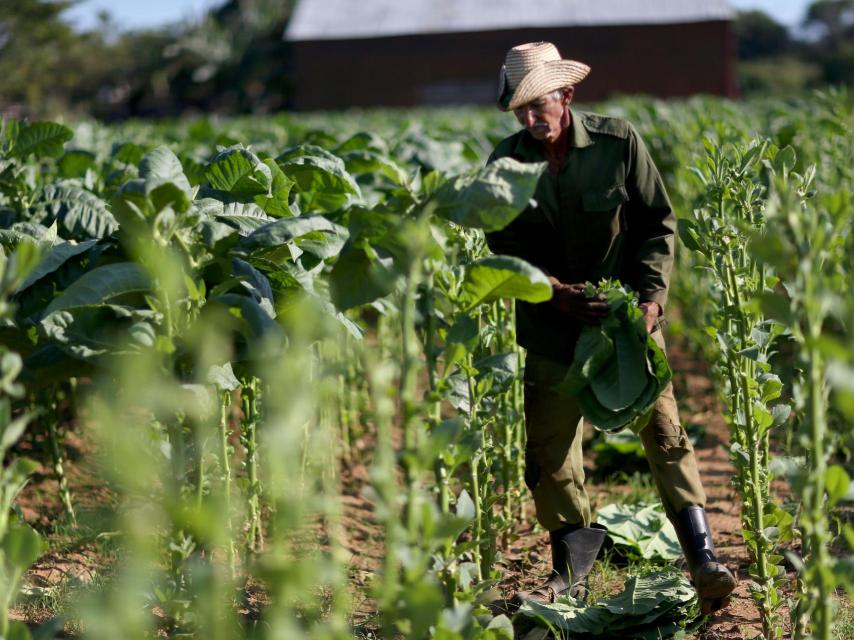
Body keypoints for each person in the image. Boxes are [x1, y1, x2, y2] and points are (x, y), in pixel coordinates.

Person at [485, 42, 736, 614]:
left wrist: (651, 299)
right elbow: (503, 250)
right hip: (552, 328)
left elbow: (656, 223)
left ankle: (702, 558)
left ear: (566, 95)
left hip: (625, 324)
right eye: (519, 111)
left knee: (665, 432)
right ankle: (568, 571)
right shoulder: (505, 164)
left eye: (537, 107)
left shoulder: (617, 143)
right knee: (549, 454)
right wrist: (554, 293)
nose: (530, 120)